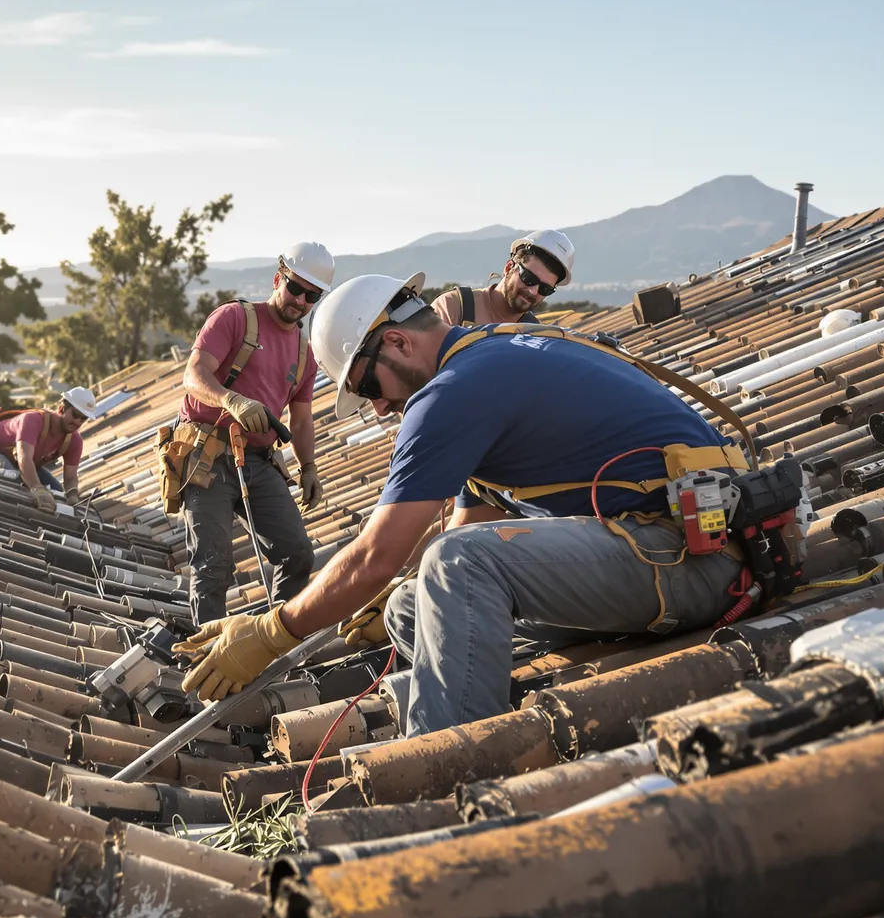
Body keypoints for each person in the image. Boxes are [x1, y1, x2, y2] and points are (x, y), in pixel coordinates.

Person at [175, 272, 760, 737]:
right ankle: (473, 698)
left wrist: (272, 630)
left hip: (692, 558)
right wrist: (381, 594)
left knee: (457, 566)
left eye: (370, 388)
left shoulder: (454, 391)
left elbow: (382, 552)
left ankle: (443, 761)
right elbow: (466, 521)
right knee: (410, 603)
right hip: (661, 550)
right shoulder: (488, 353)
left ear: (399, 342)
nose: (379, 410)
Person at [171, 241, 335, 625]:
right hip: (207, 455)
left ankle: (273, 641)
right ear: (279, 278)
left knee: (297, 553)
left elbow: (303, 418)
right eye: (296, 288)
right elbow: (193, 375)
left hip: (258, 462)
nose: (300, 300)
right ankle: (208, 658)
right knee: (213, 566)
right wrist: (232, 401)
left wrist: (309, 467)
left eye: (311, 296)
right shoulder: (235, 319)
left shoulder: (304, 352)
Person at [0, 387, 99, 512]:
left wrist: (72, 495)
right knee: (14, 480)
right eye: (75, 415)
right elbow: (24, 458)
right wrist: (37, 488)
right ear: (62, 408)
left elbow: (71, 476)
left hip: (18, 461)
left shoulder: (74, 441)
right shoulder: (32, 421)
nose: (77, 422)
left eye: (83, 418)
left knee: (57, 493)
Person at [432, 229, 575, 328]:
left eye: (545, 289)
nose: (533, 291)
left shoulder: (534, 335)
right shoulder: (454, 307)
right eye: (528, 278)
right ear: (508, 268)